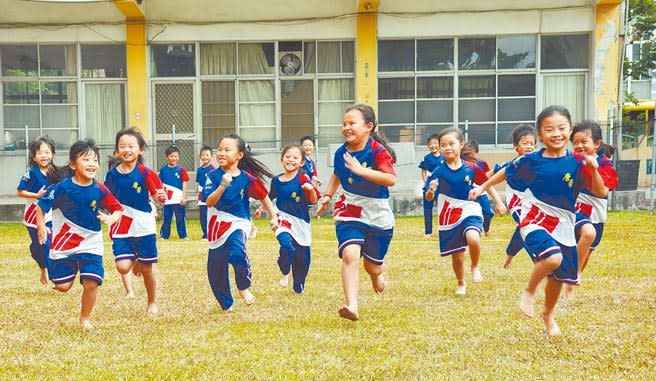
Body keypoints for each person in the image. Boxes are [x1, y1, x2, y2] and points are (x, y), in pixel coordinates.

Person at [469, 105, 607, 336]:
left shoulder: (578, 161)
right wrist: (482, 187)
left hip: (564, 221)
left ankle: (548, 315)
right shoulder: (531, 159)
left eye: (562, 128)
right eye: (549, 129)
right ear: (541, 134)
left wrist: (593, 170)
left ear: (570, 130)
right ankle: (529, 291)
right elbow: (505, 172)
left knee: (559, 277)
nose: (556, 134)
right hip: (534, 217)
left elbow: (601, 191)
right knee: (552, 258)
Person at [316, 104, 396, 321]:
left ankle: (376, 275)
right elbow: (337, 175)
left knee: (372, 266)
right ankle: (352, 305)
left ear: (368, 127)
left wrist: (362, 170)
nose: (346, 128)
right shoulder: (341, 152)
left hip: (377, 213)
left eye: (352, 123)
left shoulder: (378, 151)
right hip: (349, 209)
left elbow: (390, 179)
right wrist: (327, 196)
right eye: (344, 124)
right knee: (350, 253)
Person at [35, 139, 123, 329]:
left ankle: (84, 319)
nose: (92, 164)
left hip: (91, 243)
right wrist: (41, 226)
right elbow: (41, 206)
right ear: (73, 165)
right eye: (86, 160)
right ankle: (64, 274)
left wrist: (112, 218)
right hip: (64, 243)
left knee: (91, 283)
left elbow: (117, 208)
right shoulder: (63, 187)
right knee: (63, 287)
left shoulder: (99, 187)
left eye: (95, 160)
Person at [424, 128, 505, 296]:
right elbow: (429, 197)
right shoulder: (438, 171)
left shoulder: (471, 168)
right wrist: (431, 190)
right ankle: (461, 283)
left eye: (451, 144)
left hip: (470, 207)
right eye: (443, 145)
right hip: (449, 211)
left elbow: (486, 184)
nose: (447, 148)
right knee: (457, 256)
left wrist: (498, 202)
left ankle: (475, 266)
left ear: (461, 144)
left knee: (473, 238)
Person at [201, 134, 278, 311]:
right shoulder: (212, 176)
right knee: (215, 271)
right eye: (219, 149)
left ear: (239, 155)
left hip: (239, 222)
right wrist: (222, 185)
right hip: (216, 224)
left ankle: (243, 287)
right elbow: (209, 202)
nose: (221, 153)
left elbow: (263, 196)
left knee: (237, 252)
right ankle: (226, 304)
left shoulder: (246, 178)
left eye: (227, 150)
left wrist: (273, 216)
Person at [105, 128, 167, 313]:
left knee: (147, 270)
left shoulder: (146, 173)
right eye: (122, 146)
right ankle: (135, 259)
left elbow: (158, 196)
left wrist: (161, 197)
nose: (127, 150)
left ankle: (152, 302)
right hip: (122, 225)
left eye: (131, 146)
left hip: (143, 225)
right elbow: (107, 198)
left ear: (140, 150)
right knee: (122, 267)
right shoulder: (112, 175)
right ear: (117, 151)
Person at [564, 120, 618, 299]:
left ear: (596, 144)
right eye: (575, 142)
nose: (579, 146)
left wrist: (593, 169)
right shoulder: (572, 161)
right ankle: (570, 275)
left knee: (586, 253)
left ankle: (571, 284)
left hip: (598, 215)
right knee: (588, 233)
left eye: (583, 142)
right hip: (578, 209)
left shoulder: (605, 165)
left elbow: (602, 191)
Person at [269, 144, 320, 294]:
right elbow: (269, 197)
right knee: (286, 245)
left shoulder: (304, 178)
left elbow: (314, 200)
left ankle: (299, 284)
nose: (291, 159)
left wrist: (310, 190)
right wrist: (263, 209)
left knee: (302, 259)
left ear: (302, 162)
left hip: (301, 222)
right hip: (282, 218)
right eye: (288, 156)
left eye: (295, 157)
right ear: (282, 159)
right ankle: (285, 271)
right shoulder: (276, 181)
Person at [491, 124, 538, 269]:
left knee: (522, 230)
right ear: (516, 146)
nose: (529, 147)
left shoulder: (537, 163)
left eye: (532, 144)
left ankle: (509, 256)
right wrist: (498, 201)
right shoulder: (511, 165)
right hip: (517, 203)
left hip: (532, 203)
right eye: (525, 143)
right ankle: (539, 262)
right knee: (526, 226)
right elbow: (485, 179)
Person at [16, 136, 59, 285]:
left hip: (50, 215)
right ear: (34, 157)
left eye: (47, 152)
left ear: (53, 155)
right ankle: (43, 268)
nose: (44, 155)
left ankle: (54, 275)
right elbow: (19, 191)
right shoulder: (32, 173)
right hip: (33, 215)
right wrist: (36, 195)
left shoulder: (55, 172)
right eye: (40, 153)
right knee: (37, 248)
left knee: (47, 243)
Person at [462, 140, 495, 236]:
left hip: (482, 193)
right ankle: (474, 231)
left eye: (472, 155)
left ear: (477, 152)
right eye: (467, 156)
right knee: (473, 215)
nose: (470, 159)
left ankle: (487, 228)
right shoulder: (463, 164)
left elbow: (487, 178)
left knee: (487, 214)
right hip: (470, 195)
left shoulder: (482, 163)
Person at [159, 146, 189, 239]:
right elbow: (160, 184)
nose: (174, 158)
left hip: (178, 199)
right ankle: (164, 235)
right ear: (166, 157)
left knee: (180, 218)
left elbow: (184, 183)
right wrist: (161, 197)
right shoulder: (163, 170)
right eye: (171, 156)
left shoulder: (181, 170)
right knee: (166, 218)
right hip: (167, 200)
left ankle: (183, 235)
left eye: (176, 156)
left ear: (178, 157)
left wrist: (183, 197)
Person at [418, 133, 443, 238]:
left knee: (442, 209)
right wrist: (426, 183)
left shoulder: (445, 156)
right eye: (431, 144)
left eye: (435, 143)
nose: (433, 146)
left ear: (440, 144)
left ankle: (444, 230)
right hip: (430, 186)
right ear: (428, 146)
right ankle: (428, 232)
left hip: (442, 187)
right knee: (427, 209)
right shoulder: (427, 157)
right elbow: (423, 171)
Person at [196, 146, 215, 241]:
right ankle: (205, 234)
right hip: (201, 196)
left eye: (207, 155)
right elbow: (199, 184)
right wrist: (197, 196)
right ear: (200, 157)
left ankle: (211, 234)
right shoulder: (199, 170)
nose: (205, 157)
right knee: (203, 216)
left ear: (211, 157)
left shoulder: (213, 169)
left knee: (210, 215)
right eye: (203, 155)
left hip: (210, 195)